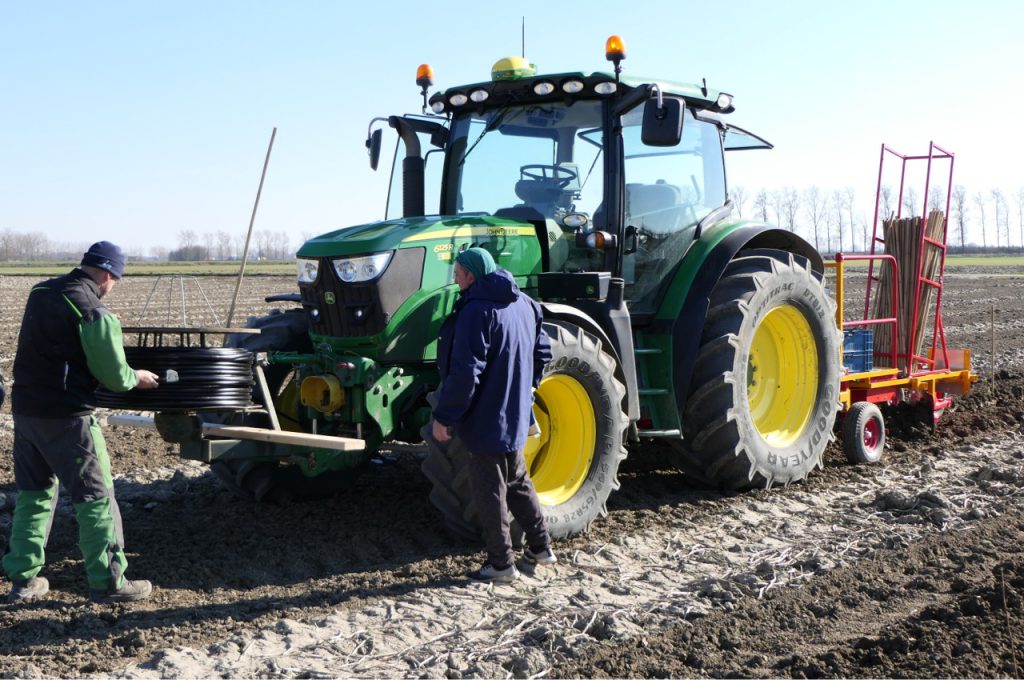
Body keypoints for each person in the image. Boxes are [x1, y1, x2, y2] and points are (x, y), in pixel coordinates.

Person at [3, 241, 160, 603]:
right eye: (114, 280)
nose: (111, 287)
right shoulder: (92, 309)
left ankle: (23, 579)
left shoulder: (41, 291)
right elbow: (115, 376)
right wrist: (138, 377)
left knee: (35, 493)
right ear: (108, 273)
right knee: (95, 496)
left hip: (26, 412)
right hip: (68, 418)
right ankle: (109, 581)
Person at [432, 247, 556, 583]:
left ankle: (501, 565)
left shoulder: (476, 312)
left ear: (471, 275)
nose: (455, 278)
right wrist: (527, 387)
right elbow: (543, 350)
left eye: (457, 273)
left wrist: (445, 417)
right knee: (518, 481)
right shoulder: (526, 305)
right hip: (515, 413)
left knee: (490, 490)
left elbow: (466, 373)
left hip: (485, 418)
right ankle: (541, 547)